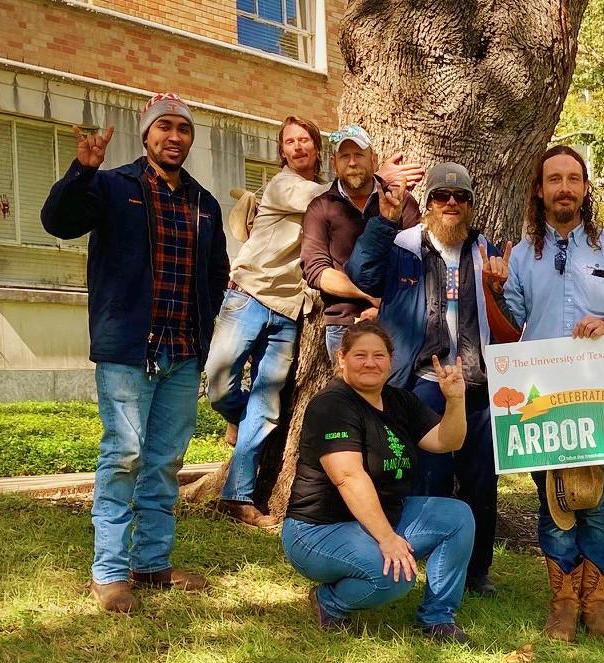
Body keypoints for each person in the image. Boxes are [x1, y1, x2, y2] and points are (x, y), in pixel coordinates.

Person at [40, 93, 228, 613]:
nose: (174, 136)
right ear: (146, 135)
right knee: (123, 456)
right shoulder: (110, 185)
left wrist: (206, 330)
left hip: (184, 352)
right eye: (163, 127)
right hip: (128, 351)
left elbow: (215, 272)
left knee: (165, 462)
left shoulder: (203, 203)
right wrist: (81, 171)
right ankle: (108, 572)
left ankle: (151, 564)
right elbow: (56, 222)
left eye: (183, 129)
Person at [500, 145, 604, 644]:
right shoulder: (521, 255)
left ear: (585, 189)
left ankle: (598, 603)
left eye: (573, 178)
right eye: (554, 179)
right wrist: (491, 287)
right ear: (540, 191)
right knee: (556, 500)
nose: (564, 187)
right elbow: (510, 327)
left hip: (601, 391)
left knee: (597, 497)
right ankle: (564, 602)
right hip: (545, 394)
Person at [346, 162, 516, 598]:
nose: (452, 205)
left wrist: (498, 288)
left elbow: (513, 319)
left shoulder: (485, 251)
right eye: (442, 197)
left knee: (481, 480)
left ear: (472, 206)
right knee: (429, 480)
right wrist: (383, 220)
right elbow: (362, 274)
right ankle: (424, 566)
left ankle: (477, 572)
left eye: (461, 198)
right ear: (428, 204)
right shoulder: (403, 243)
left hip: (476, 383)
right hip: (421, 382)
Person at [282, 321, 475, 643]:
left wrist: (456, 400)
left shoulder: (400, 400)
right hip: (317, 531)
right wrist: (387, 539)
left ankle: (438, 618)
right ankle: (329, 602)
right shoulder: (331, 405)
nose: (370, 363)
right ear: (341, 358)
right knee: (397, 577)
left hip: (379, 518)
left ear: (390, 360)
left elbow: (447, 441)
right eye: (360, 355)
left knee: (457, 517)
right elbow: (348, 477)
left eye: (378, 355)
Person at [204, 115, 329, 529]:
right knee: (219, 384)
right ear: (283, 151)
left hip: (289, 312)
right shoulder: (285, 185)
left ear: (316, 147)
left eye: (304, 140)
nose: (296, 147)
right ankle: (237, 419)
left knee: (269, 405)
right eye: (289, 142)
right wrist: (372, 178)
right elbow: (330, 199)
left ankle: (237, 497)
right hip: (249, 296)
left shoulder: (325, 195)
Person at [301, 124, 424, 359]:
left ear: (374, 159)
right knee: (352, 396)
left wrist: (384, 308)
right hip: (343, 324)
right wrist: (369, 298)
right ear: (333, 163)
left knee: (395, 395)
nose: (352, 162)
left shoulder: (400, 201)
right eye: (345, 156)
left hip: (396, 320)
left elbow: (416, 265)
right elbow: (317, 271)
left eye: (359, 154)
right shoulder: (320, 207)